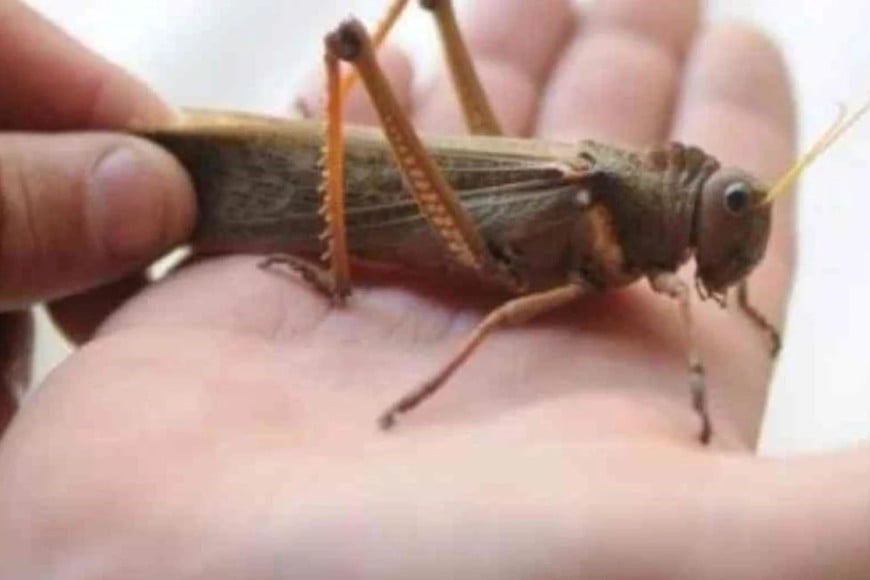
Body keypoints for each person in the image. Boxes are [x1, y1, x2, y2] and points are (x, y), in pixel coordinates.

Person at [0, 0, 866, 578]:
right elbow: (648, 307)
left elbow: (686, 288)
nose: (734, 245)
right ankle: (337, 257)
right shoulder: (613, 206)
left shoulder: (652, 233)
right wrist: (693, 387)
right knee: (356, 50)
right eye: (736, 217)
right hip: (463, 224)